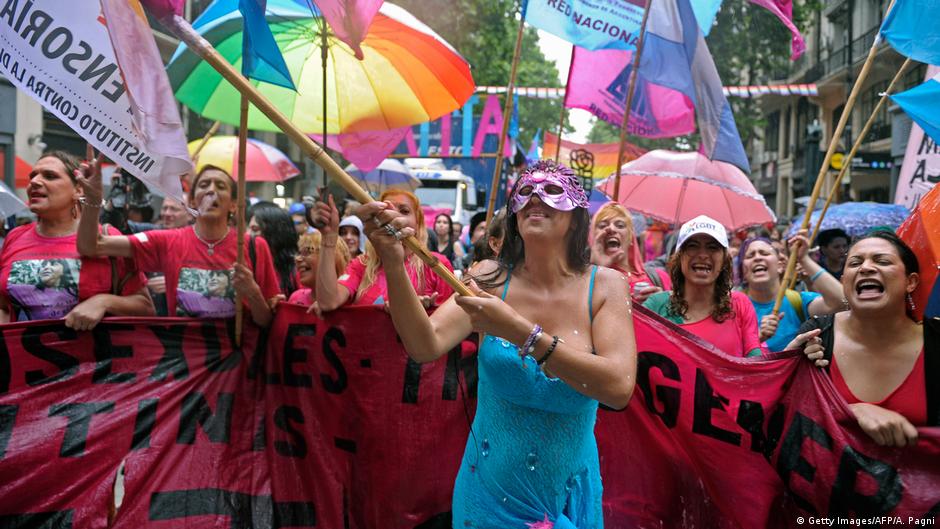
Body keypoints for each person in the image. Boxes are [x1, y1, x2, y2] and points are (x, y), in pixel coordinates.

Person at [357, 160, 635, 527]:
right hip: (486, 500)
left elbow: (618, 388)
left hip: (568, 500)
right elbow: (425, 344)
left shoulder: (606, 286)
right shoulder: (488, 277)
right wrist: (394, 264)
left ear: (577, 215)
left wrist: (522, 332)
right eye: (525, 192)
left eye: (551, 191)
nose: (535, 199)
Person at [76, 163, 280, 327]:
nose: (211, 191)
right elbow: (92, 246)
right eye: (204, 185)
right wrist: (93, 200)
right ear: (191, 201)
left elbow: (267, 321)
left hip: (238, 371)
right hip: (185, 369)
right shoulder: (168, 240)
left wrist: (252, 293)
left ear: (234, 204)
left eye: (220, 186)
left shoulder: (255, 247)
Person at [795, 231, 937, 446]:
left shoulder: (936, 339)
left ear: (911, 281)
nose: (866, 268)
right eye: (854, 263)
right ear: (844, 282)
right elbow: (793, 418)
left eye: (882, 261)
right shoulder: (816, 337)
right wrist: (851, 412)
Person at [0, 151, 154, 328]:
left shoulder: (106, 237)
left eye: (50, 176)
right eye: (32, 176)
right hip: (23, 354)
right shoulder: (15, 237)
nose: (34, 182)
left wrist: (103, 302)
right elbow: (4, 306)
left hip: (94, 354)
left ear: (78, 189)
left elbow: (146, 307)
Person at [644, 215, 765, 358]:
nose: (702, 255)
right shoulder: (656, 306)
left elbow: (757, 368)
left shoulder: (740, 305)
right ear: (679, 257)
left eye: (712, 247)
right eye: (692, 246)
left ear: (724, 260)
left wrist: (789, 360)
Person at [314, 190, 455, 311]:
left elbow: (447, 330)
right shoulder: (362, 264)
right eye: (386, 211)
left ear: (417, 224)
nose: (393, 217)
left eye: (404, 211)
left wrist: (418, 311)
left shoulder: (436, 265)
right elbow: (328, 302)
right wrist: (329, 236)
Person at [739, 231, 846, 352]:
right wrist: (758, 338)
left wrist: (804, 259)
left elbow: (843, 302)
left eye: (764, 253)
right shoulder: (732, 307)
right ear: (743, 271)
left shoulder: (798, 301)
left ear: (780, 265)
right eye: (750, 256)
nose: (757, 258)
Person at [590, 202, 670, 304]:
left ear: (631, 237)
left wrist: (661, 303)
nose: (611, 229)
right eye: (602, 226)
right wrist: (599, 268)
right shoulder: (582, 280)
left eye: (620, 225)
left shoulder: (659, 277)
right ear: (592, 236)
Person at [287, 231, 351, 307]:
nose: (297, 259)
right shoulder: (295, 298)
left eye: (308, 252)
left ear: (331, 258)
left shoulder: (351, 302)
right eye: (299, 253)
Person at [248, 206, 300, 298]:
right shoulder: (248, 262)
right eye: (248, 229)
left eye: (255, 229)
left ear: (275, 233)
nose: (247, 234)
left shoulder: (298, 267)